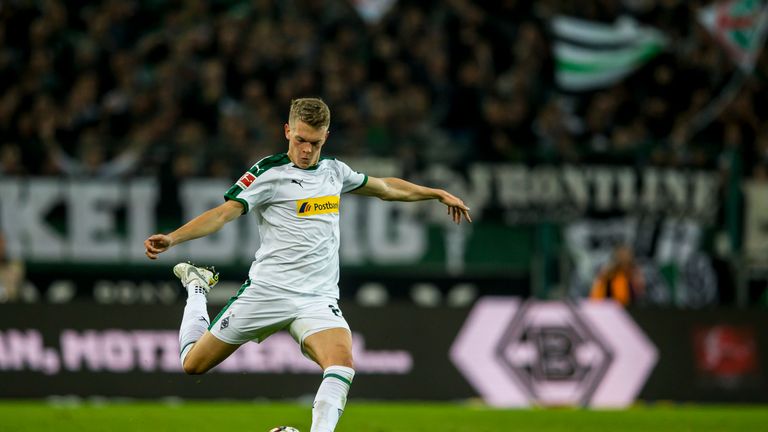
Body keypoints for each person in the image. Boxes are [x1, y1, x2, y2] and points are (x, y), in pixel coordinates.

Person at [143, 98, 472, 432]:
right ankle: (197, 287)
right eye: (300, 140)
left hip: (317, 298)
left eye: (314, 142)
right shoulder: (267, 173)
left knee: (342, 364)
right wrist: (174, 239)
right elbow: (222, 214)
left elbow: (387, 187)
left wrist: (435, 193)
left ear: (325, 137)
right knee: (192, 364)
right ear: (287, 131)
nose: (305, 149)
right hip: (267, 292)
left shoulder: (334, 172)